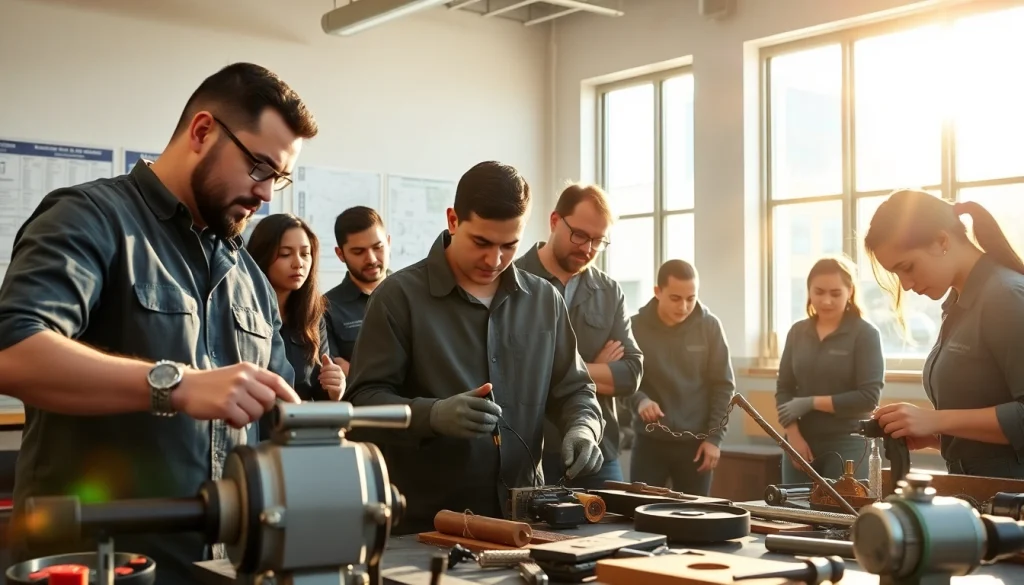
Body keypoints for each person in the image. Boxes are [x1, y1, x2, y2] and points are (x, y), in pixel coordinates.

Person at [0, 63, 312, 585]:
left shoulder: (250, 278)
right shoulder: (90, 219)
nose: (266, 195)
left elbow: (278, 413)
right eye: (259, 167)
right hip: (96, 567)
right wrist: (178, 385)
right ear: (202, 131)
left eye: (279, 178)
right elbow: (13, 352)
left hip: (222, 570)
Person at [344, 161, 604, 534]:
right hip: (428, 529)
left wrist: (583, 427)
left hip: (526, 524)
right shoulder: (398, 298)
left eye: (509, 245)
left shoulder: (544, 300)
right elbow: (361, 404)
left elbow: (576, 389)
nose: (493, 260)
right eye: (481, 242)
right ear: (453, 220)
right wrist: (430, 416)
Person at [866, 190, 1024, 479]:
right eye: (896, 274)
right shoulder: (958, 305)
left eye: (907, 267)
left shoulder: (1006, 297)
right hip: (976, 491)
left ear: (941, 241)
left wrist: (935, 420)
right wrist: (934, 433)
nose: (906, 285)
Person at [515, 183, 642, 488]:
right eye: (580, 235)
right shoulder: (514, 280)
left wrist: (567, 371)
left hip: (597, 448)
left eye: (598, 241)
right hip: (530, 449)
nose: (587, 249)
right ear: (555, 221)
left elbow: (630, 373)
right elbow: (514, 372)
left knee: (612, 534)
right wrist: (594, 368)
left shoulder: (609, 291)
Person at [629, 260, 735, 495]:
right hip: (649, 443)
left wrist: (714, 439)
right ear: (657, 292)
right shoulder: (634, 327)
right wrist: (641, 400)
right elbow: (624, 379)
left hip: (697, 445)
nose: (684, 306)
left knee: (694, 521)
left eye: (691, 298)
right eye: (676, 298)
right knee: (638, 513)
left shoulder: (710, 326)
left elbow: (724, 387)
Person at [774, 256, 883, 484]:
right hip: (800, 440)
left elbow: (868, 398)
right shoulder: (797, 332)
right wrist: (792, 436)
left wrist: (811, 402)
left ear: (850, 291)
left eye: (835, 293)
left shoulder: (865, 334)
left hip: (849, 442)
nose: (826, 301)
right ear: (809, 291)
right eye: (819, 292)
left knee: (839, 516)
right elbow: (784, 388)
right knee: (794, 514)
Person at [246, 213, 345, 408]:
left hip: (300, 428)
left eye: (305, 253)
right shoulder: (243, 311)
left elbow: (320, 391)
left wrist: (336, 389)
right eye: (285, 254)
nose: (298, 263)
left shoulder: (313, 316)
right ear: (262, 255)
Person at [323, 206, 391, 376]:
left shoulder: (414, 292)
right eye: (358, 252)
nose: (372, 259)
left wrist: (353, 371)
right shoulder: (326, 308)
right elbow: (333, 372)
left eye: (378, 247)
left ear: (388, 243)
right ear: (340, 254)